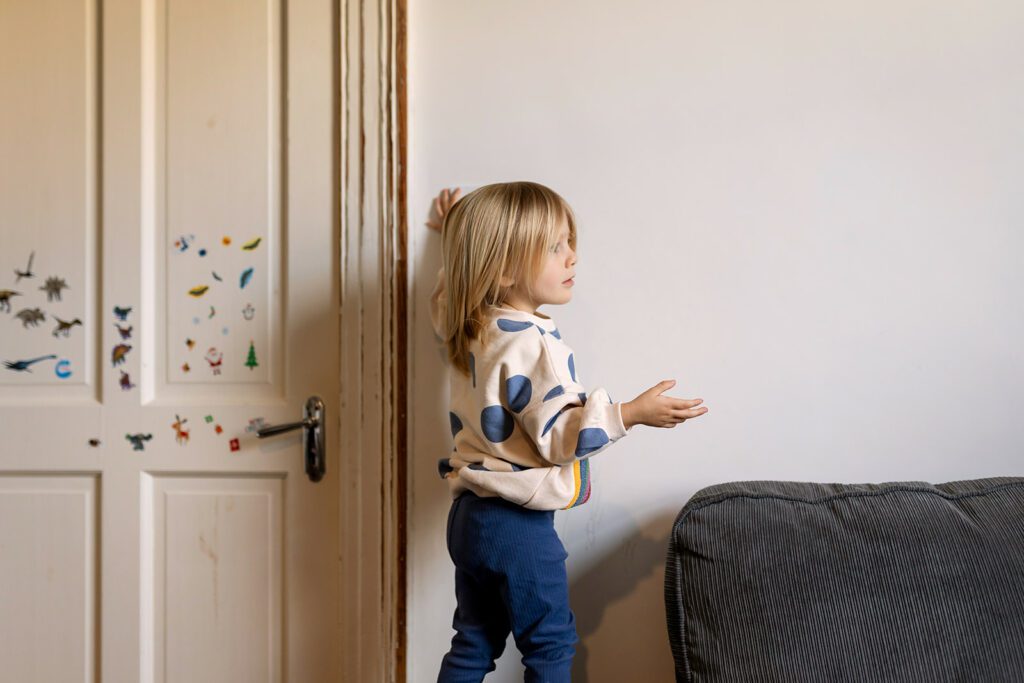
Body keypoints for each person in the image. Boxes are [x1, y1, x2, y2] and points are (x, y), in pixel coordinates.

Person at [426, 182, 708, 682]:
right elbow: (559, 438)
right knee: (551, 645)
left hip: (468, 517)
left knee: (473, 642)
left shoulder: (469, 322)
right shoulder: (535, 346)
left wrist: (452, 232)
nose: (572, 256)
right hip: (516, 523)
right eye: (555, 247)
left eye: (568, 242)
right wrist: (630, 413)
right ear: (503, 268)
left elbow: (451, 288)